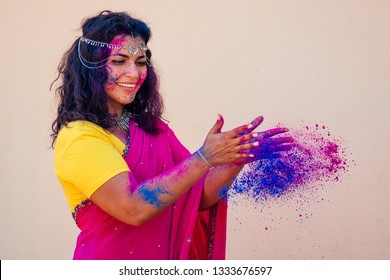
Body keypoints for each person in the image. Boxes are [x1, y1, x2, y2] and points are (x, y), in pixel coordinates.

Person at [51, 10, 293, 260]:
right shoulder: (79, 138)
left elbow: (197, 196)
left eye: (141, 62)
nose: (134, 74)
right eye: (120, 61)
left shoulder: (151, 128)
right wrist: (204, 157)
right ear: (90, 66)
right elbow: (133, 208)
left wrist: (235, 158)